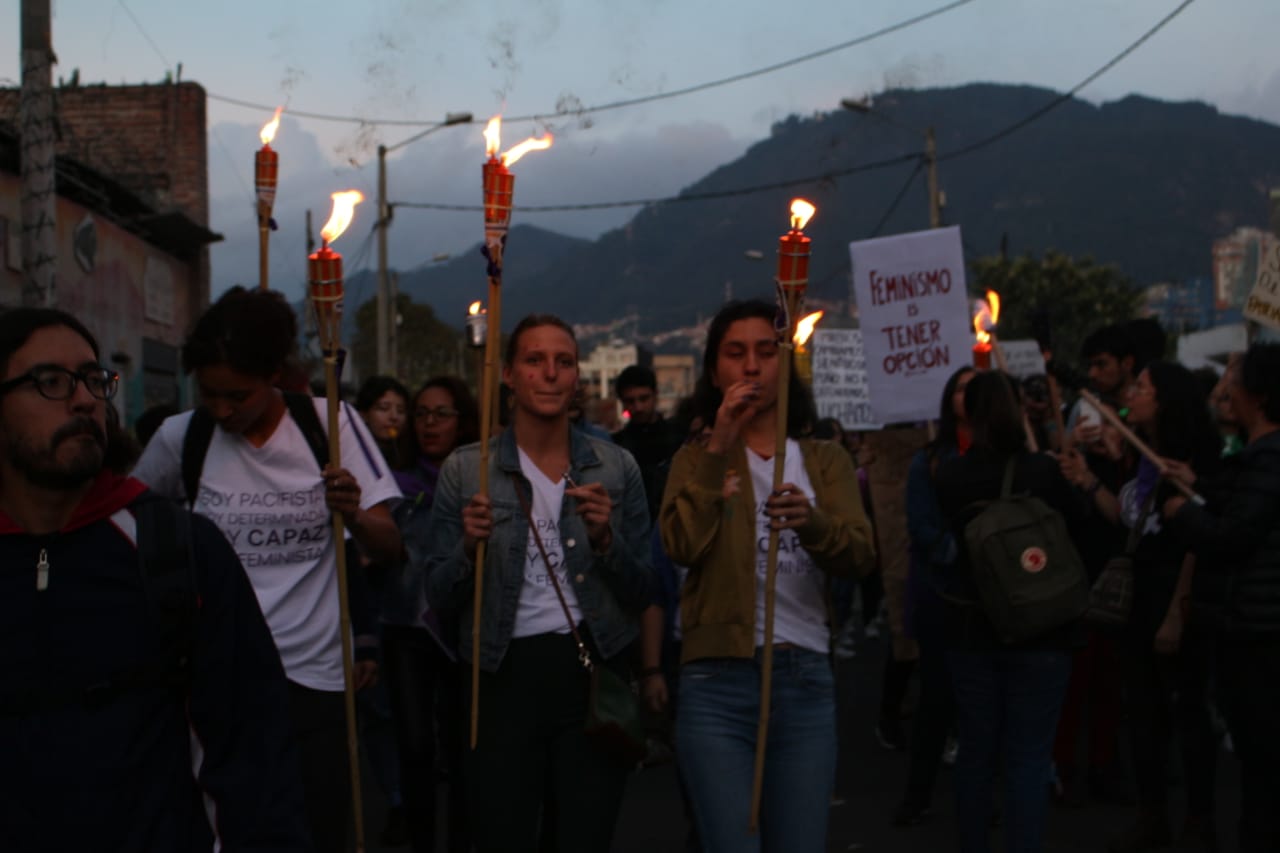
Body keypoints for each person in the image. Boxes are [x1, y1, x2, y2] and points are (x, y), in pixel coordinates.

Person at [0, 307, 310, 851]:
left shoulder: (180, 552)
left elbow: (253, 759)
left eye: (94, 380)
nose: (84, 399)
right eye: (50, 382)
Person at [131, 286, 403, 853]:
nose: (223, 410)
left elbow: (390, 542)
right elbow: (129, 524)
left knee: (320, 825)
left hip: (316, 676)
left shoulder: (331, 424)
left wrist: (352, 511)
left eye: (239, 396)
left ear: (275, 375)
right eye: (210, 394)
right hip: (216, 674)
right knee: (228, 828)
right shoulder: (182, 439)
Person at [424, 314, 652, 853]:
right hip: (500, 678)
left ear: (577, 378)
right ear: (508, 374)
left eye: (564, 362)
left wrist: (603, 541)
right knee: (502, 834)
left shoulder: (616, 469)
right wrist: (467, 550)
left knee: (584, 836)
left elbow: (643, 590)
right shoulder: (465, 471)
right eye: (534, 360)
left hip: (591, 675)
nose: (550, 374)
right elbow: (436, 595)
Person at [660, 300, 876, 853]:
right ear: (715, 373)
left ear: (785, 365)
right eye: (735, 354)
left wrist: (814, 522)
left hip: (803, 680)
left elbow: (860, 556)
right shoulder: (693, 458)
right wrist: (718, 447)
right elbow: (680, 545)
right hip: (716, 685)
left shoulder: (824, 460)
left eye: (765, 352)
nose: (751, 366)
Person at [933, 370, 1090, 853]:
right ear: (1019, 409)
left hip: (972, 630)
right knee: (1028, 757)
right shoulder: (1044, 472)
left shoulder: (952, 475)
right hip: (1042, 630)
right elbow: (1079, 532)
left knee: (977, 754)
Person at [1161, 343, 1280, 853]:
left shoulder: (1270, 459)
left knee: (1263, 774)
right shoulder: (1256, 458)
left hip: (1260, 634)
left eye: (1234, 377)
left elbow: (1233, 535)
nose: (1224, 387)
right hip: (1251, 627)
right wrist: (1198, 486)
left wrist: (1181, 514)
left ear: (1258, 394)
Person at [387, 375, 479, 853]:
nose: (428, 423)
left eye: (440, 413)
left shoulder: (478, 479)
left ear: (462, 420)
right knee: (416, 744)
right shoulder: (395, 482)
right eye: (420, 413)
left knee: (465, 750)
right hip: (407, 628)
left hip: (463, 624)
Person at [893, 365, 973, 826]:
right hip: (944, 595)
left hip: (986, 600)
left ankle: (980, 797)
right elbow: (921, 528)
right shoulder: (930, 460)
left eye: (974, 389)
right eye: (959, 389)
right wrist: (964, 552)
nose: (967, 396)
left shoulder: (999, 455)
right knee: (936, 701)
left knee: (978, 706)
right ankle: (917, 795)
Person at [353, 373, 413, 845]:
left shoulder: (410, 464)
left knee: (393, 704)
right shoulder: (352, 461)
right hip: (359, 596)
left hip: (401, 600)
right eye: (382, 408)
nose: (392, 416)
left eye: (399, 408)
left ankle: (400, 793)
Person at [357, 375, 410, 468]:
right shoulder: (353, 453)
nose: (394, 417)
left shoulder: (412, 458)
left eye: (401, 411)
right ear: (364, 414)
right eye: (383, 408)